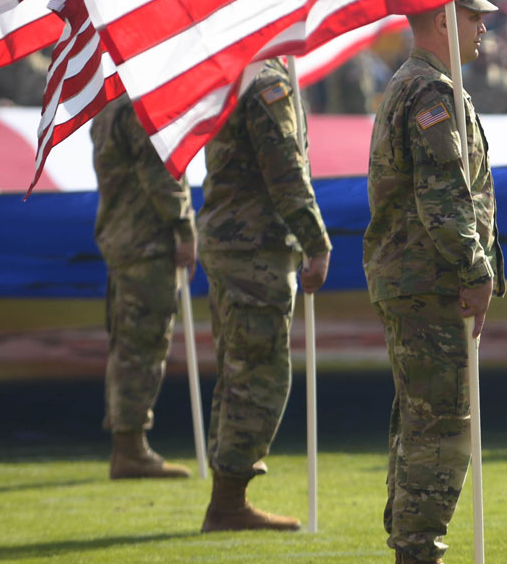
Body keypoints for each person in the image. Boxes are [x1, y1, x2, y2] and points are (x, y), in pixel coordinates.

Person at [365, 0, 505, 564]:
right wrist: (475, 270)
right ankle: (419, 560)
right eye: (474, 16)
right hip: (430, 278)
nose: (482, 27)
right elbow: (444, 197)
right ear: (441, 19)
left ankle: (413, 556)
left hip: (415, 277)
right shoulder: (430, 92)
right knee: (441, 419)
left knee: (421, 417)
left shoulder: (422, 85)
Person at [197, 59, 330, 531]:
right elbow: (286, 170)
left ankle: (227, 496)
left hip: (231, 242)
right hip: (253, 248)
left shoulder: (237, 71)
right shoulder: (266, 82)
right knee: (258, 374)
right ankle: (229, 501)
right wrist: (316, 241)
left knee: (239, 370)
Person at [91, 95, 197, 480]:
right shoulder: (143, 107)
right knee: (142, 347)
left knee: (127, 344)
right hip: (147, 242)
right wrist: (185, 229)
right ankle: (130, 448)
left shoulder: (108, 110)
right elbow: (160, 175)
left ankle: (128, 443)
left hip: (124, 240)